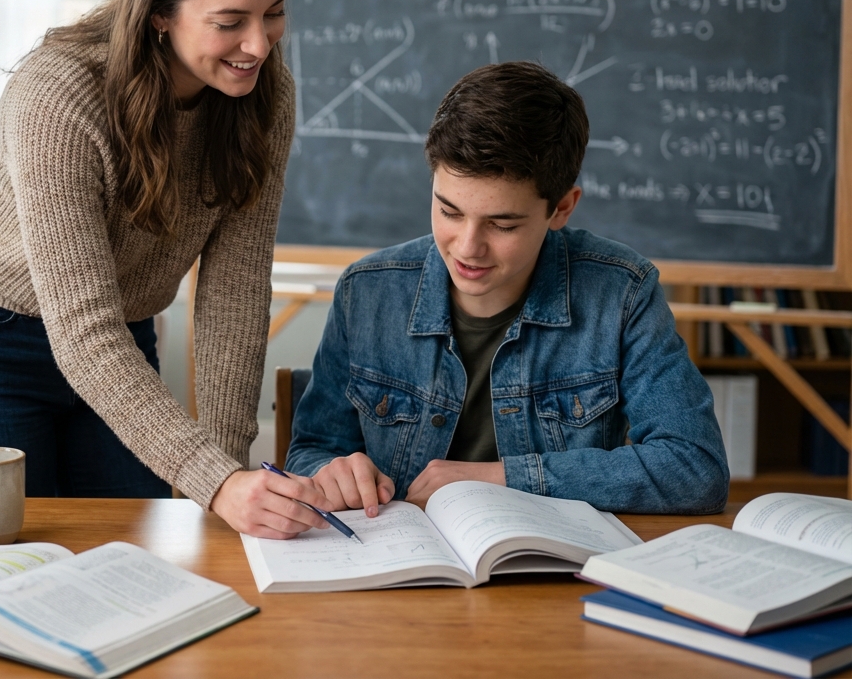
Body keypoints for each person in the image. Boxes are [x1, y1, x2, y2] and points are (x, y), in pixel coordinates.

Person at [0, 0, 336, 539]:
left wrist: (224, 483)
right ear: (160, 12)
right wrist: (218, 482)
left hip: (122, 339)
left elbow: (234, 294)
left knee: (136, 560)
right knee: (9, 568)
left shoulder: (265, 96)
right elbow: (82, 330)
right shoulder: (58, 95)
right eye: (230, 22)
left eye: (274, 12)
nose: (258, 44)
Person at [285, 61, 729, 515]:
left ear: (561, 208)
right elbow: (312, 451)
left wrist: (499, 479)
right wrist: (331, 471)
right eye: (449, 211)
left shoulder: (622, 294)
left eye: (502, 224)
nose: (467, 247)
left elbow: (696, 468)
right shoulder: (367, 293)